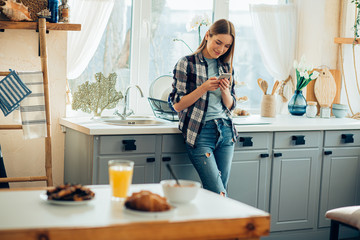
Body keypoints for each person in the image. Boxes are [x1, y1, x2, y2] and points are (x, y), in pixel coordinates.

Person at [169, 19, 238, 196]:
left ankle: (214, 223)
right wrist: (203, 88)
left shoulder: (226, 66)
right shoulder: (186, 63)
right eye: (218, 42)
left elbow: (231, 106)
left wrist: (225, 91)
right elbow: (177, 105)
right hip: (200, 133)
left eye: (226, 46)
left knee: (219, 193)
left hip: (226, 132)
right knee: (217, 191)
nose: (221, 49)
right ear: (208, 35)